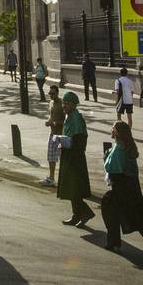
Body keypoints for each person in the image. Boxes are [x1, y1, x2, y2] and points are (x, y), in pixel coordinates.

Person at [101, 121, 143, 256]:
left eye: (112, 129)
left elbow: (113, 169)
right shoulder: (126, 146)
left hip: (121, 187)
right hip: (130, 186)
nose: (111, 131)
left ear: (117, 132)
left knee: (113, 213)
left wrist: (106, 157)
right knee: (136, 217)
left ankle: (114, 242)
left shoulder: (118, 149)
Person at [57, 92, 95, 227]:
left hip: (75, 158)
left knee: (74, 188)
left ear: (73, 104)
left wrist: (67, 144)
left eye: (67, 104)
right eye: (63, 103)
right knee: (70, 187)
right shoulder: (69, 117)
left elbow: (79, 140)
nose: (64, 106)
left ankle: (85, 212)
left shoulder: (76, 119)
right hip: (68, 156)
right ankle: (76, 214)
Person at [41, 83, 64, 187]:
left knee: (63, 158)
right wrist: (48, 121)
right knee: (51, 157)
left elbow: (65, 120)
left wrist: (55, 123)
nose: (51, 95)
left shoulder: (62, 104)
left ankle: (64, 179)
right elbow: (51, 116)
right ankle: (51, 177)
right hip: (52, 134)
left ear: (57, 93)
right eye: (50, 93)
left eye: (53, 93)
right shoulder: (50, 103)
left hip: (61, 135)